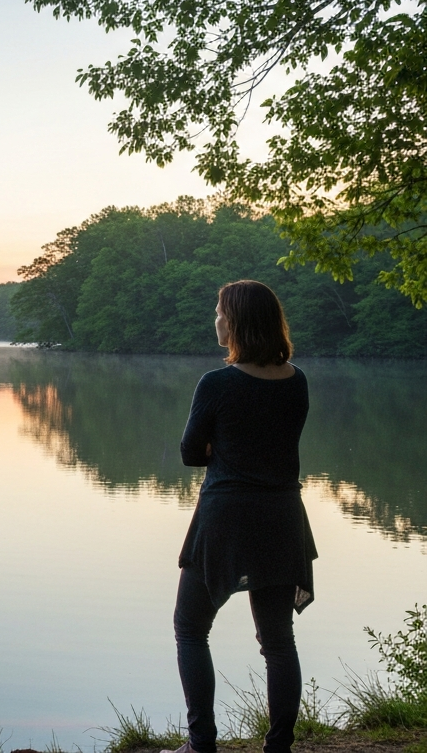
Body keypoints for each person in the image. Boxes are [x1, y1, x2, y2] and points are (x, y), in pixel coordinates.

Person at [165, 280, 317, 753]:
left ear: (236, 323)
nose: (215, 320)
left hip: (227, 517)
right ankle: (279, 748)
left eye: (219, 312)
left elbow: (192, 451)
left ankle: (201, 745)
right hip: (281, 518)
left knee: (190, 628)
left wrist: (220, 448)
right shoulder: (297, 381)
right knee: (278, 642)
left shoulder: (217, 383)